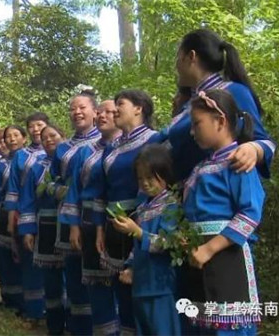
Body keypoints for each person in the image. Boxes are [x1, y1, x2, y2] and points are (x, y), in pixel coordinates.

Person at [182, 89, 264, 335]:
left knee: (230, 326)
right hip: (198, 258)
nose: (192, 131)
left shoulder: (239, 161)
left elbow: (250, 215)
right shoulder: (201, 167)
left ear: (220, 120)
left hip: (226, 257)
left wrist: (209, 248)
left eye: (197, 123)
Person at [168, 28, 275, 182]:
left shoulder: (234, 92)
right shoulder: (190, 102)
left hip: (222, 198)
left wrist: (254, 149)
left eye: (178, 57)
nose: (176, 65)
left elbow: (265, 141)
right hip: (188, 197)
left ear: (191, 56)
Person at [99, 89, 163, 334]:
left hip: (143, 224)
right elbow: (105, 189)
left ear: (139, 108)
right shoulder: (112, 146)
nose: (115, 109)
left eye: (120, 104)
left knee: (141, 295)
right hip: (114, 225)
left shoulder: (154, 140)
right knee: (120, 292)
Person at [59, 100, 121, 334]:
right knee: (93, 284)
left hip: (120, 224)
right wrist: (73, 225)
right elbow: (74, 189)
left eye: (109, 111)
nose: (103, 115)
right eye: (101, 111)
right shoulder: (87, 151)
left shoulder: (132, 147)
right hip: (87, 224)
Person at [112, 144, 181, 336]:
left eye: (150, 177)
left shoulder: (172, 205)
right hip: (141, 283)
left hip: (161, 285)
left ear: (164, 175)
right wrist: (130, 267)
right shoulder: (142, 207)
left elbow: (169, 243)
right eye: (140, 178)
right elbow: (136, 247)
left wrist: (138, 232)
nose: (145, 183)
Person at [53, 89, 101, 335]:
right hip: (69, 216)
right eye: (73, 108)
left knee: (99, 279)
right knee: (73, 276)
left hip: (97, 219)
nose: (77, 112)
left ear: (96, 111)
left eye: (82, 107)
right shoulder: (63, 148)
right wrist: (59, 190)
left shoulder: (106, 141)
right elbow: (52, 179)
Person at [19, 125, 66, 333]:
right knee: (51, 279)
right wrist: (28, 230)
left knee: (73, 280)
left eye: (53, 136)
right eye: (44, 138)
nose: (49, 141)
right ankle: (54, 326)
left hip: (69, 227)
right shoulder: (36, 167)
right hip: (45, 227)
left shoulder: (72, 162)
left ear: (63, 137)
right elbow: (27, 200)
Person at [0, 129, 23, 312]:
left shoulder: (27, 159)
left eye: (3, 142)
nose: (2, 146)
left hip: (23, 214)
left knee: (21, 259)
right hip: (2, 215)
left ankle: (27, 302)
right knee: (3, 259)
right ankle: (10, 299)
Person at [4, 112, 49, 229]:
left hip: (51, 208)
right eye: (31, 127)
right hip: (23, 208)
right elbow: (13, 186)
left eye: (39, 125)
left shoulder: (57, 151)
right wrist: (10, 218)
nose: (35, 129)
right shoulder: (20, 155)